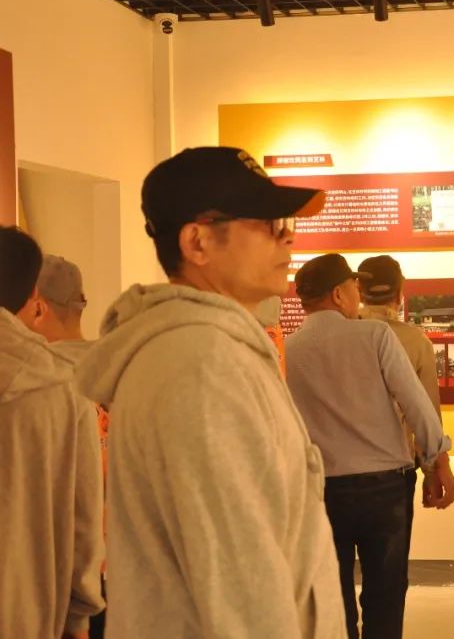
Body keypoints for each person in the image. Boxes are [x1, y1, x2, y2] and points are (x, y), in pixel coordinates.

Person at [74, 146, 346, 638]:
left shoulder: (215, 349)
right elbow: (241, 582)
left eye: (286, 222)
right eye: (269, 223)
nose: (287, 237)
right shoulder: (202, 365)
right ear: (198, 241)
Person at [286, 253, 454, 639]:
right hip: (385, 488)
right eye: (352, 286)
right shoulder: (375, 336)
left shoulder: (289, 349)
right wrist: (437, 463)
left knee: (333, 593)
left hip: (322, 489)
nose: (357, 294)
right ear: (338, 294)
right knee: (386, 592)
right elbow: (416, 403)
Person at [0, 226, 104, 639]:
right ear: (32, 299)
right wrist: (80, 613)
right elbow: (84, 517)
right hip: (28, 613)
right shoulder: (65, 390)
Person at [30, 254, 109, 639]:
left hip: (63, 584)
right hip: (121, 576)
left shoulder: (41, 391)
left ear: (37, 308)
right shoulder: (120, 373)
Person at [357, 254, 454, 511]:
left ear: (358, 291)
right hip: (394, 467)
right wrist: (432, 469)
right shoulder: (416, 340)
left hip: (339, 471)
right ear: (400, 293)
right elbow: (425, 411)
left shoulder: (338, 335)